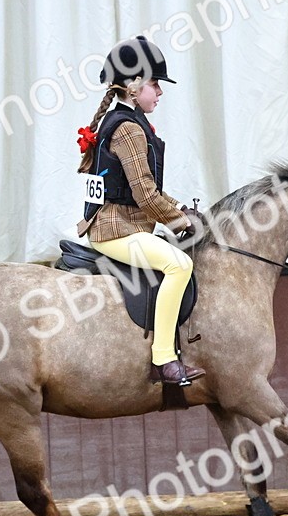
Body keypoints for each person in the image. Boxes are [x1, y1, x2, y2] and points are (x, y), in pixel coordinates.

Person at [75, 35, 205, 387]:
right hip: (116, 230)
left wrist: (180, 208)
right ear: (133, 87)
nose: (160, 92)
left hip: (124, 224)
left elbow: (151, 192)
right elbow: (146, 197)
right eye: (154, 84)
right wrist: (180, 222)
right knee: (179, 264)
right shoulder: (129, 129)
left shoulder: (125, 121)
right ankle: (164, 358)